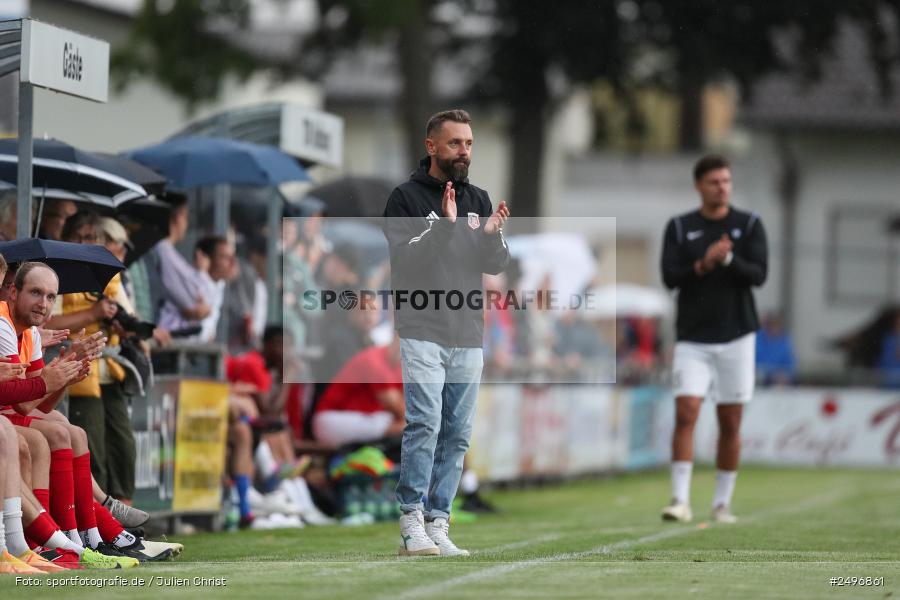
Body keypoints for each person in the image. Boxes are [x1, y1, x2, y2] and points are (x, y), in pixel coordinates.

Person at [383, 109, 509, 556]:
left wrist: (491, 235)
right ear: (431, 146)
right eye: (456, 143)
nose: (464, 152)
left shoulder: (478, 198)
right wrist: (445, 228)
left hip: (468, 330)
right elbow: (408, 260)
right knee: (425, 423)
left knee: (457, 432)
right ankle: (411, 521)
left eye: (470, 143)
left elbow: (493, 264)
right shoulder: (405, 199)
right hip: (422, 326)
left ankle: (439, 521)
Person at [660, 155, 768, 524]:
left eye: (726, 181)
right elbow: (670, 276)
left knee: (730, 420)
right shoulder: (679, 227)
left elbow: (758, 275)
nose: (722, 187)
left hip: (737, 335)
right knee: (686, 411)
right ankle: (679, 500)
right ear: (699, 186)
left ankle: (721, 504)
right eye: (714, 182)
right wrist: (703, 264)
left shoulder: (749, 224)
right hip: (693, 337)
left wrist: (727, 260)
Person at [755, 312, 796, 385]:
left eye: (776, 325)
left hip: (778, 384)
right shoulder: (757, 339)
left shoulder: (784, 341)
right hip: (759, 380)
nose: (773, 328)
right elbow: (753, 363)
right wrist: (769, 374)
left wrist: (785, 375)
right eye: (770, 324)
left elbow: (791, 366)